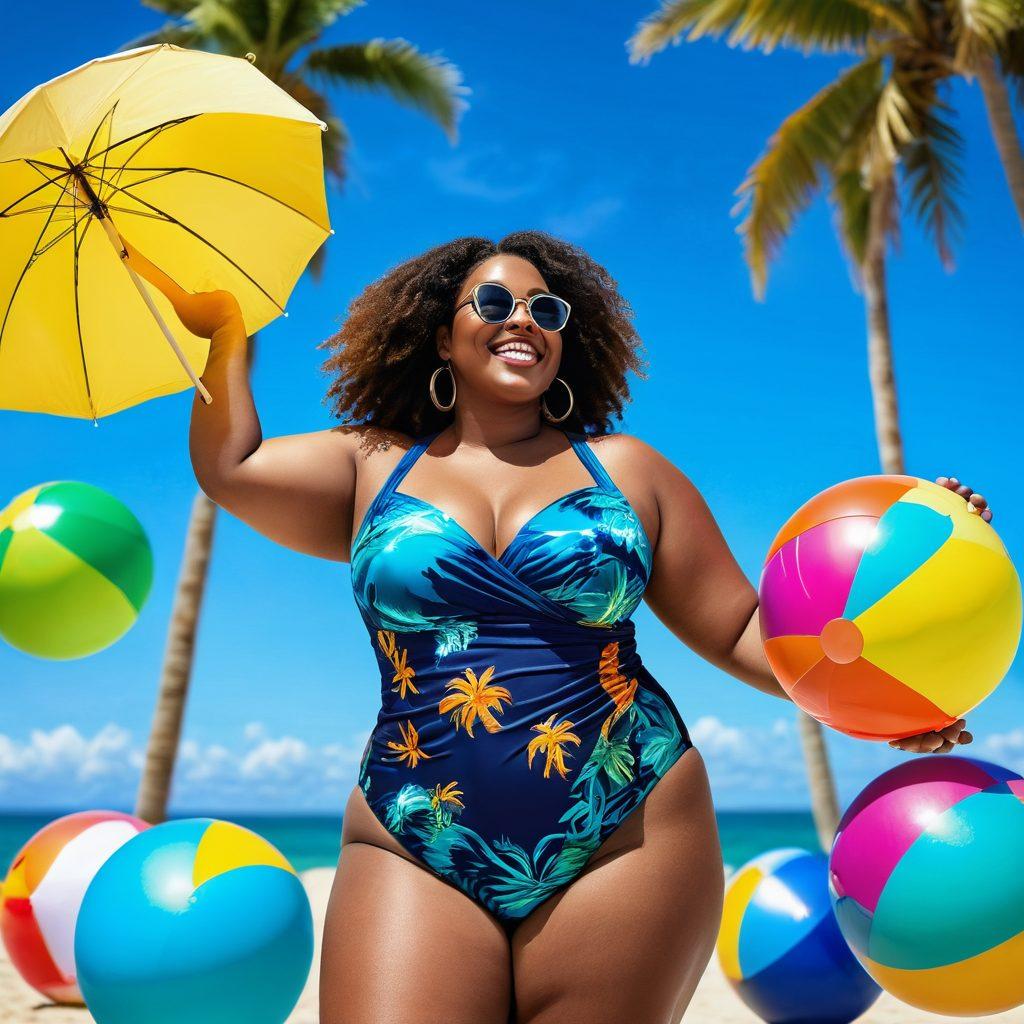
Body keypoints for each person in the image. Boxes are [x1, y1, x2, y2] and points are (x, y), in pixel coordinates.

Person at [128, 231, 984, 1024]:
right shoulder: (368, 466)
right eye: (495, 304)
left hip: (628, 824)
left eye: (547, 310)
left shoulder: (626, 472)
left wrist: (890, 688)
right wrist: (227, 332)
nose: (524, 322)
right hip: (414, 829)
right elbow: (230, 467)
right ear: (440, 336)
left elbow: (739, 630)